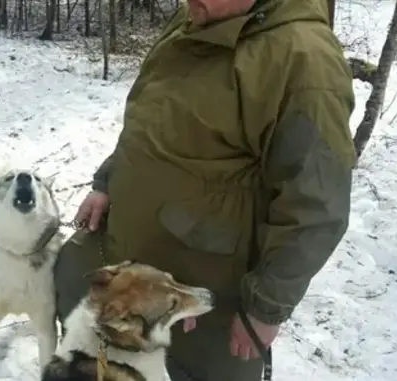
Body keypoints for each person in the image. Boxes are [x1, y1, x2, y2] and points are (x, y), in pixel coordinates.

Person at [54, 0, 356, 379]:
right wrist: (106, 182)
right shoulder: (198, 15)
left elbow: (315, 205)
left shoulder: (304, 61)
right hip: (129, 270)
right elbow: (149, 120)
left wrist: (266, 309)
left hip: (203, 300)